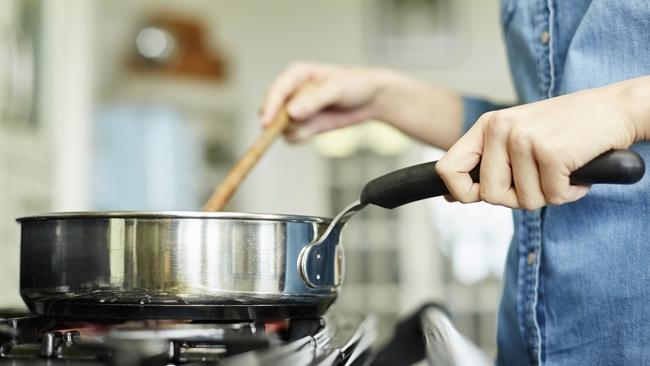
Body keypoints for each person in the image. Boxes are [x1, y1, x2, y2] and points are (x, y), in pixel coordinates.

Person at [261, 1, 650, 365]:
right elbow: (533, 135)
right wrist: (380, 97)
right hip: (531, 337)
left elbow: (600, 116)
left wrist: (629, 107)